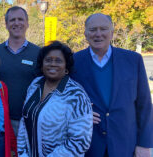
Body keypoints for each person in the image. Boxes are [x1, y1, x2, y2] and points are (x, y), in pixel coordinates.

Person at [70, 13, 153, 157]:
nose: (98, 34)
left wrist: (145, 144)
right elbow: (65, 101)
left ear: (112, 32)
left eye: (103, 29)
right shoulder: (74, 62)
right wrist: (79, 114)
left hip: (125, 144)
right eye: (93, 29)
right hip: (89, 145)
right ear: (85, 34)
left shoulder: (133, 60)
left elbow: (144, 105)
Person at [17, 41, 93, 157]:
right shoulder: (35, 85)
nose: (52, 64)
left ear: (66, 67)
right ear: (42, 65)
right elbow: (24, 121)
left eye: (58, 61)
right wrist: (22, 154)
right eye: (48, 60)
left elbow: (80, 142)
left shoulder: (76, 95)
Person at [0, 6, 40, 136]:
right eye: (12, 20)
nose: (16, 23)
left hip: (30, 121)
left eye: (20, 19)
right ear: (6, 24)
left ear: (27, 23)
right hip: (1, 121)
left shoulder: (39, 53)